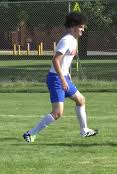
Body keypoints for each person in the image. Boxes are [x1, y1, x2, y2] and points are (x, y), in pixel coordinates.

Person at [23, 12, 98, 143]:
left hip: (63, 77)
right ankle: (30, 133)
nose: (83, 29)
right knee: (57, 113)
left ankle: (84, 130)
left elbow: (65, 62)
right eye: (81, 26)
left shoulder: (74, 40)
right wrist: (63, 79)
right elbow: (55, 60)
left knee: (81, 100)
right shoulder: (66, 40)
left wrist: (67, 75)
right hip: (56, 79)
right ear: (74, 26)